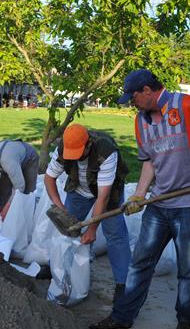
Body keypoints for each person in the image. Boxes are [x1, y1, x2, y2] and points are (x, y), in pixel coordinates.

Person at [89, 69, 190, 329]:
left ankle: (186, 320)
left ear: (147, 91)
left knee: (189, 266)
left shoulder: (187, 106)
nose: (131, 102)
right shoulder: (141, 121)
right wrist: (139, 193)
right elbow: (149, 161)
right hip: (160, 203)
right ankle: (123, 317)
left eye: (133, 97)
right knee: (140, 262)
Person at [44, 124, 131, 301]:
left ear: (88, 144)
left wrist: (92, 229)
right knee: (67, 231)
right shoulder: (63, 148)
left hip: (107, 192)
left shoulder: (106, 151)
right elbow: (49, 178)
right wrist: (59, 205)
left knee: (115, 234)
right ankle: (59, 270)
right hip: (78, 190)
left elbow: (102, 198)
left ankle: (123, 284)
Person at [0, 140, 39, 220]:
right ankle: (3, 220)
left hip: (29, 159)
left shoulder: (7, 162)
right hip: (10, 160)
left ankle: (26, 219)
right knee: (2, 192)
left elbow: (20, 186)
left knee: (26, 193)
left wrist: (7, 207)